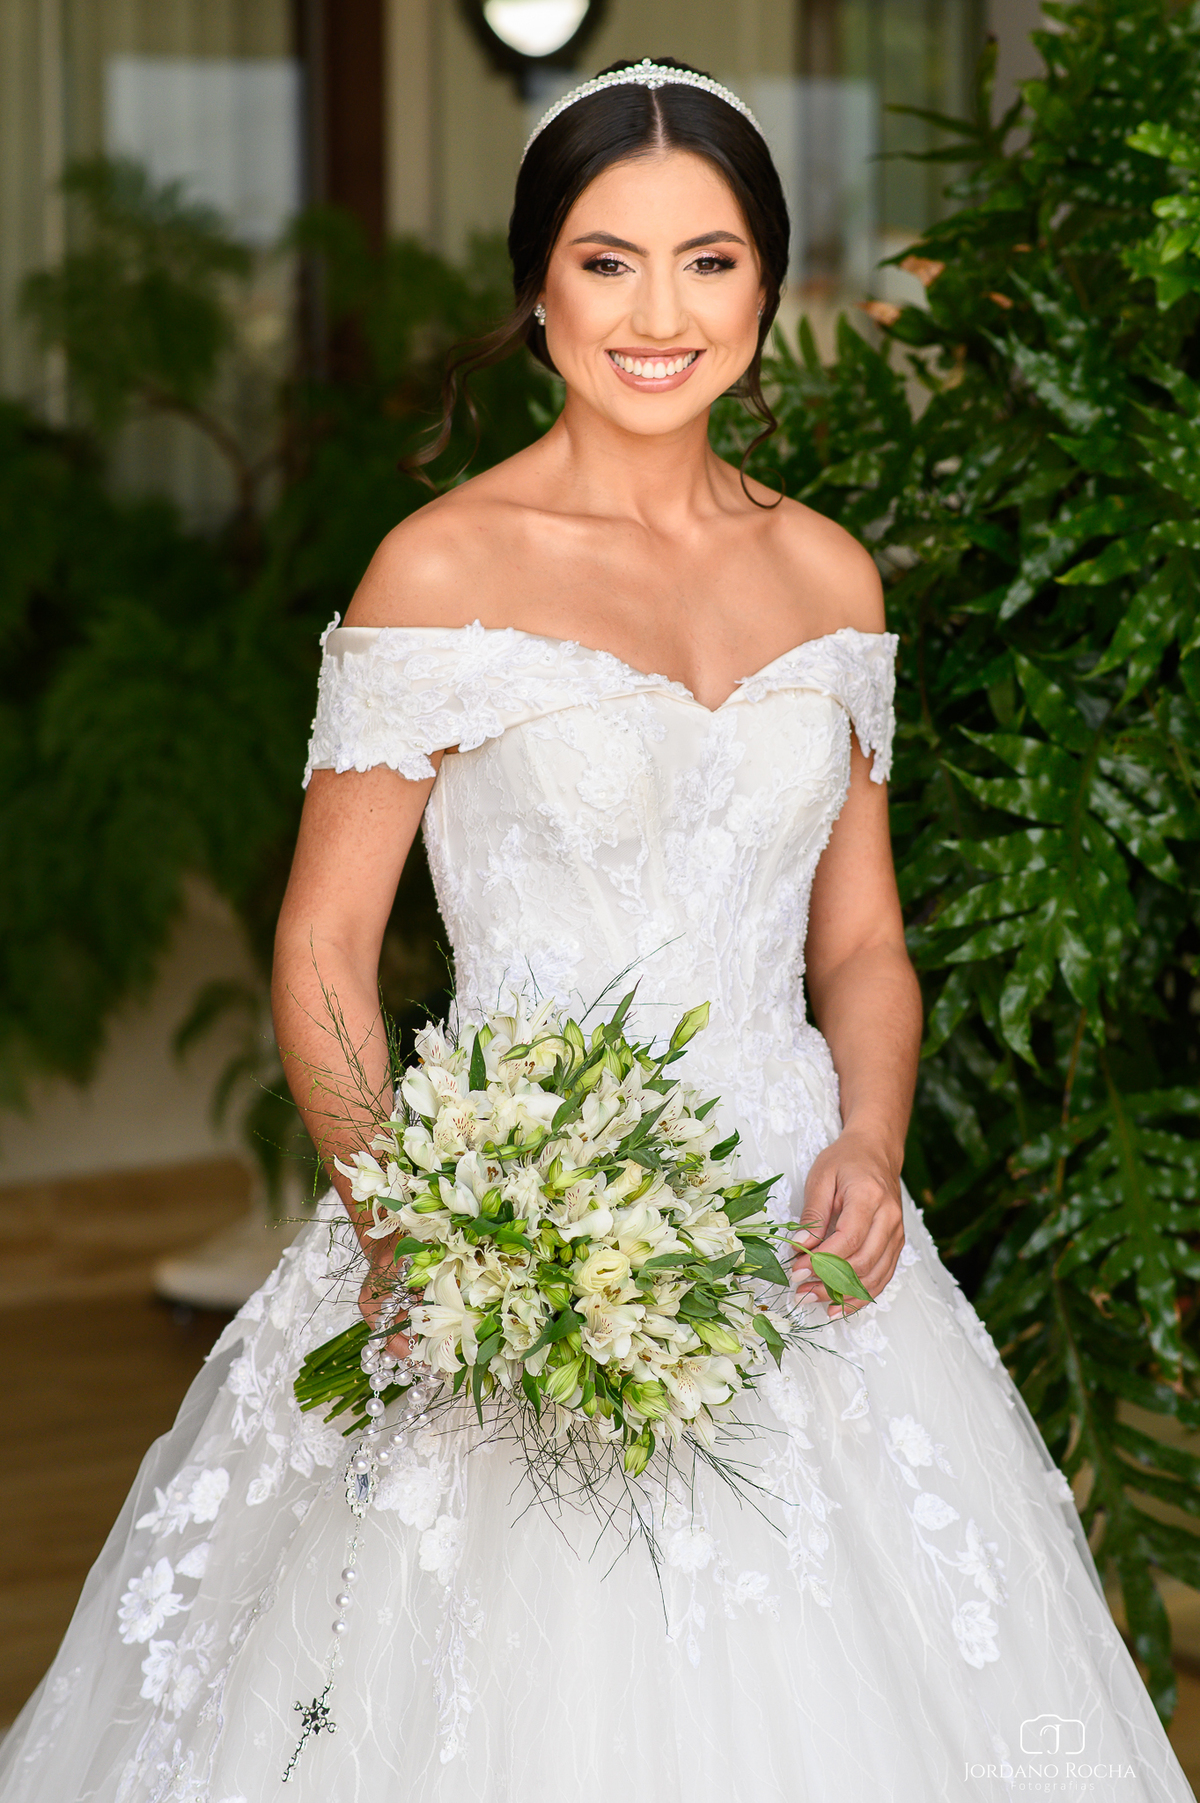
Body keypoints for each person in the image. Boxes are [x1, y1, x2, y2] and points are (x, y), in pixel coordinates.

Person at [0, 57, 1192, 1803]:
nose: (659, 314)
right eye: (607, 260)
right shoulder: (438, 571)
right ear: (538, 287)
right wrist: (415, 1236)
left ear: (768, 287)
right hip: (497, 1232)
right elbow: (324, 948)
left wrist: (870, 1138)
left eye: (709, 261)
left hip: (797, 1242)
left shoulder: (832, 578)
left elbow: (861, 944)